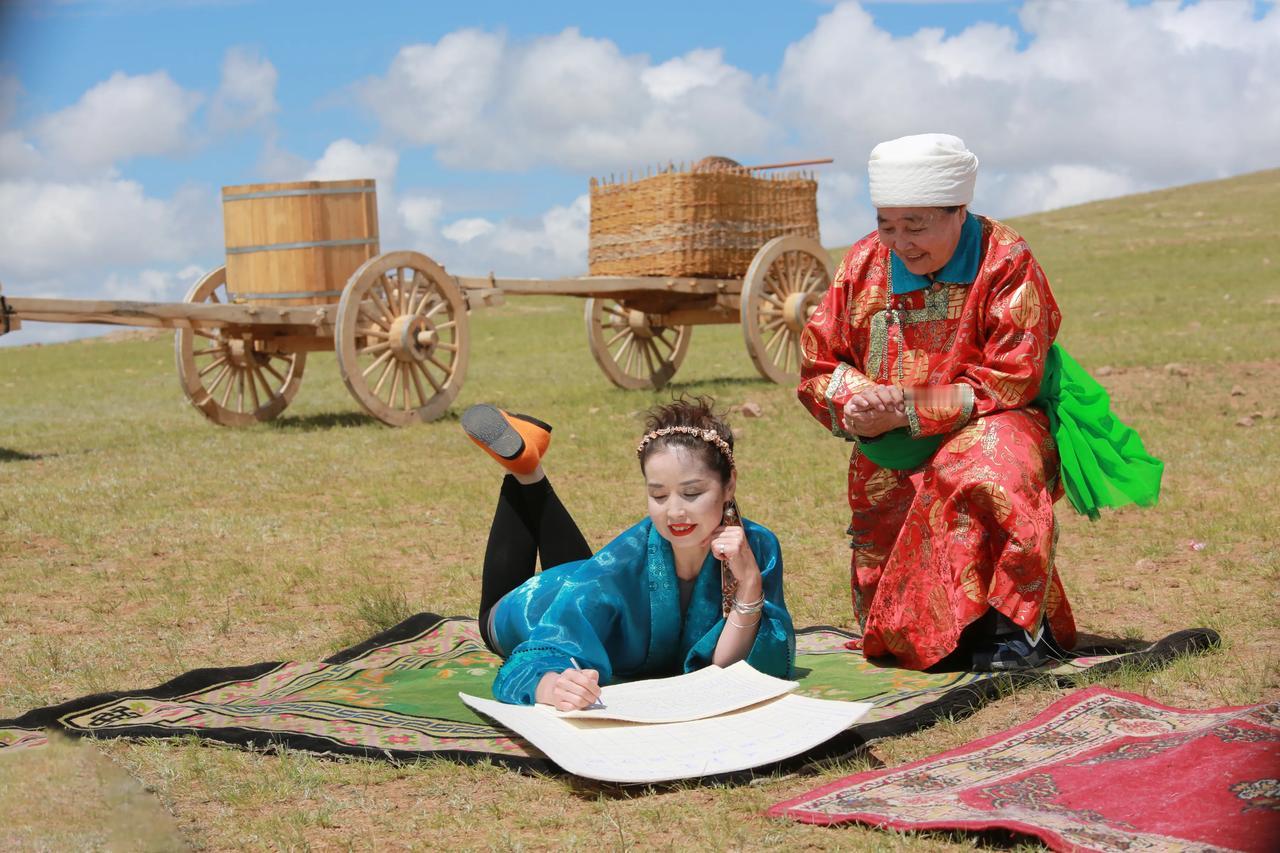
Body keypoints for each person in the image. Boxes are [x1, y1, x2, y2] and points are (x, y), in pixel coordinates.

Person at [797, 133, 1078, 672]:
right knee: (900, 642)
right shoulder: (861, 264)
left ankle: (1010, 629)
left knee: (983, 457)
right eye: (887, 224)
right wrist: (855, 402)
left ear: (959, 212)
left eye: (916, 225)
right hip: (890, 443)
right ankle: (928, 638)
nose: (899, 242)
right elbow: (819, 364)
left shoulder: (1006, 261)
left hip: (998, 423)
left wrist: (909, 406)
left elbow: (1012, 377)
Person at [465, 398, 795, 709]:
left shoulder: (757, 547)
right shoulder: (621, 563)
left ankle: (529, 466)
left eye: (692, 492)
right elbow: (532, 660)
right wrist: (550, 685)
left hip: (587, 582)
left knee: (590, 573)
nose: (675, 512)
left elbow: (729, 668)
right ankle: (524, 470)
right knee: (495, 615)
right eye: (659, 495)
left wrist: (749, 582)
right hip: (534, 607)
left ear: (730, 485)